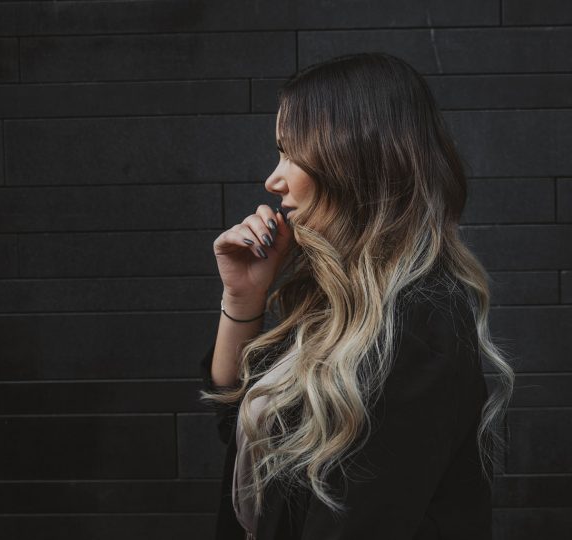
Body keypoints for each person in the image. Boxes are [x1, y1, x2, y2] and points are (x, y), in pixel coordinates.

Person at [199, 52, 515, 540]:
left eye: (290, 152)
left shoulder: (417, 326)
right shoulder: (336, 302)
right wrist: (243, 299)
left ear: (351, 160)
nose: (273, 179)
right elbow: (240, 431)